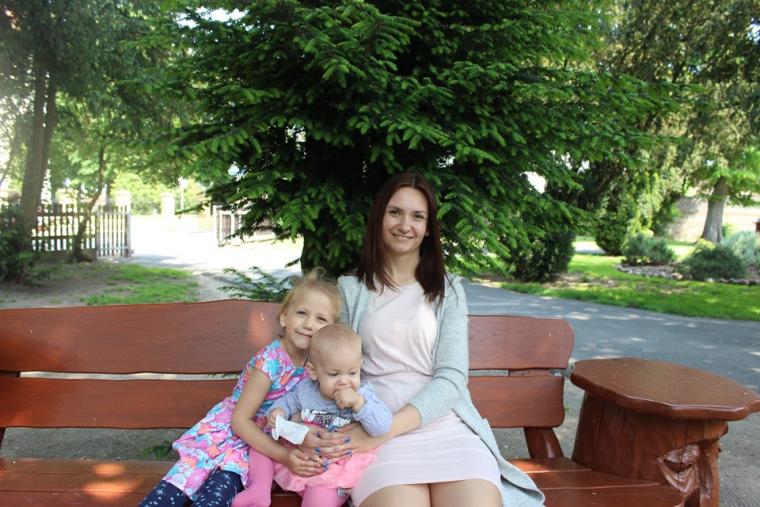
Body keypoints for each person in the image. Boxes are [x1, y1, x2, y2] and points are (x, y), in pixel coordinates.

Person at [317, 173, 545, 507]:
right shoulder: (351, 289)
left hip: (444, 429)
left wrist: (384, 430)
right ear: (379, 217)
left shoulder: (448, 291)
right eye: (395, 212)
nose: (404, 225)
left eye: (417, 216)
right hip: (376, 433)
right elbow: (331, 368)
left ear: (428, 228)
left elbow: (452, 379)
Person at [139, 268, 341, 507]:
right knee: (178, 485)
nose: (309, 324)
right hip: (229, 433)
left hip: (256, 453)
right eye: (302, 313)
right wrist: (285, 456)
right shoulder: (271, 361)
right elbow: (240, 421)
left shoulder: (316, 365)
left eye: (321, 319)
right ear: (284, 317)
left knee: (218, 495)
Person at [233, 324, 392, 507]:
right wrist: (278, 413)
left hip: (331, 468)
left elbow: (382, 426)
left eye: (352, 372)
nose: (344, 381)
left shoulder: (362, 394)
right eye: (334, 374)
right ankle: (259, 491)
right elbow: (285, 403)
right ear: (313, 371)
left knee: (319, 499)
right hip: (298, 455)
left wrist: (358, 403)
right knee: (260, 449)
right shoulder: (305, 390)